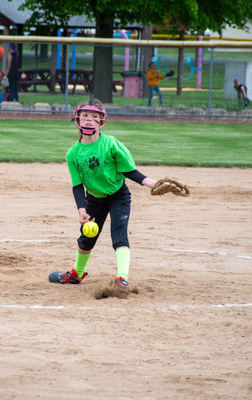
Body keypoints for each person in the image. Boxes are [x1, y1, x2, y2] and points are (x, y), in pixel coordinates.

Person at [48, 97, 158, 291]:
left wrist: (148, 182)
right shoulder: (73, 153)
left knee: (119, 235)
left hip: (118, 195)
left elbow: (127, 169)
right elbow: (77, 185)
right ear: (78, 120)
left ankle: (122, 278)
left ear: (101, 121)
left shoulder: (110, 143)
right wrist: (82, 209)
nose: (89, 119)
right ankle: (77, 274)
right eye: (85, 116)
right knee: (86, 238)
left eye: (94, 116)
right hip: (94, 199)